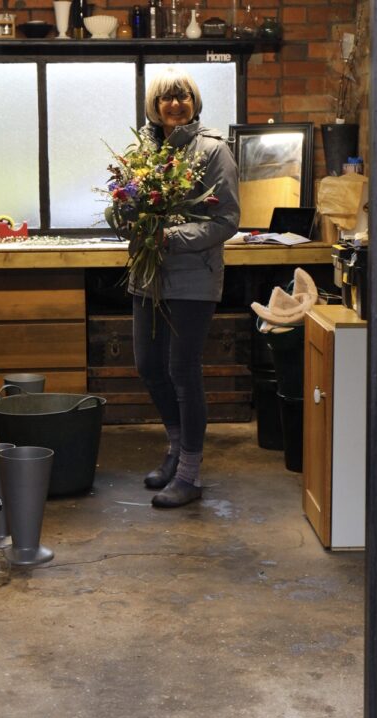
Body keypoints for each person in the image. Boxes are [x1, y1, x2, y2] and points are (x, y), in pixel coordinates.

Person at [129, 67, 240, 508]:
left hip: (194, 276)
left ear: (195, 103)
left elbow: (227, 219)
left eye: (183, 96)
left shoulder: (213, 150)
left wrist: (170, 237)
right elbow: (130, 203)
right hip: (148, 276)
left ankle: (190, 474)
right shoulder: (144, 151)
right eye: (166, 97)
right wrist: (128, 218)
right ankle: (175, 451)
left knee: (182, 370)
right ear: (154, 106)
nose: (175, 104)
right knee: (148, 365)